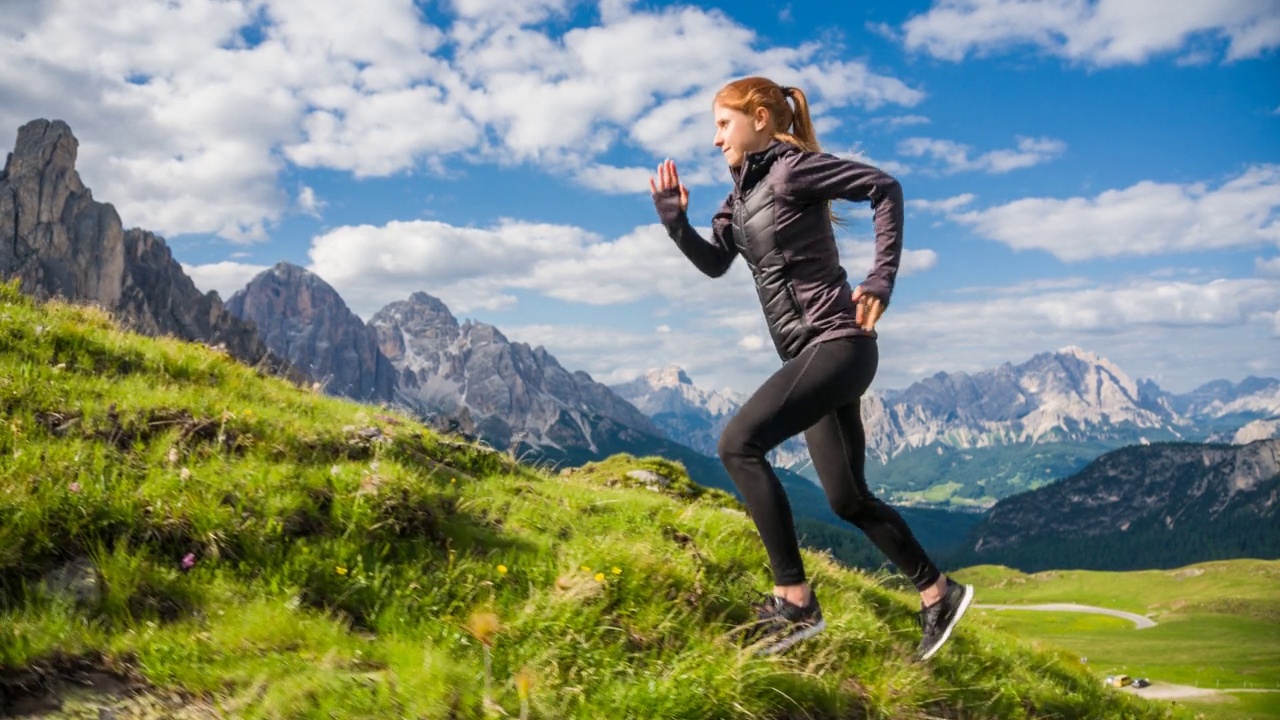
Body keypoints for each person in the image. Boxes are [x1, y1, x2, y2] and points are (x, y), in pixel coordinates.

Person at [648, 76, 972, 659]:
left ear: (762, 119)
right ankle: (938, 593)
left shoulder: (791, 171)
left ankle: (794, 601)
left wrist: (881, 278)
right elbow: (717, 263)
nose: (715, 139)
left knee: (737, 445)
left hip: (839, 345)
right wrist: (676, 225)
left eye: (723, 124)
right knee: (847, 499)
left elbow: (885, 188)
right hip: (810, 357)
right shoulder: (740, 199)